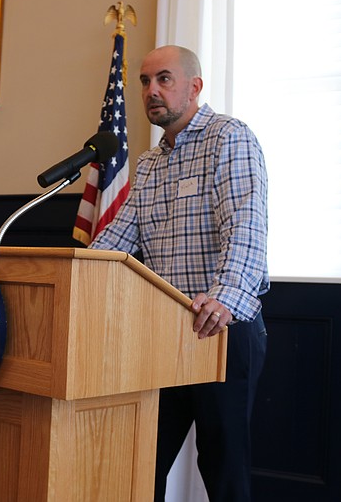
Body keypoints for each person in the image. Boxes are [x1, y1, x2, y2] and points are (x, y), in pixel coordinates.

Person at [89, 45, 269, 501]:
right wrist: (76, 273)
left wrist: (225, 296)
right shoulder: (149, 164)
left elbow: (246, 224)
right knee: (139, 464)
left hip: (219, 331)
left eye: (164, 79)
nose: (152, 91)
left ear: (195, 86)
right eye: (145, 82)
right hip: (162, 338)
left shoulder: (229, 137)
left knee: (223, 470)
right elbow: (116, 242)